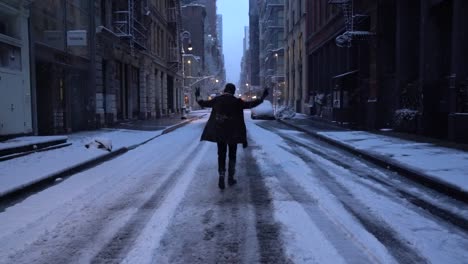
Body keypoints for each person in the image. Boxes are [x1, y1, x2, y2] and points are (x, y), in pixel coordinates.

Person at [197, 83, 269, 190]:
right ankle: (230, 177)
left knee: (221, 155)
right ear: (233, 91)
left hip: (220, 133)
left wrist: (197, 96)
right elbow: (251, 104)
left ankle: (221, 174)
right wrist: (262, 97)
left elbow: (203, 103)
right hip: (233, 134)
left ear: (225, 90)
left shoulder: (217, 100)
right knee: (232, 155)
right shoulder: (237, 102)